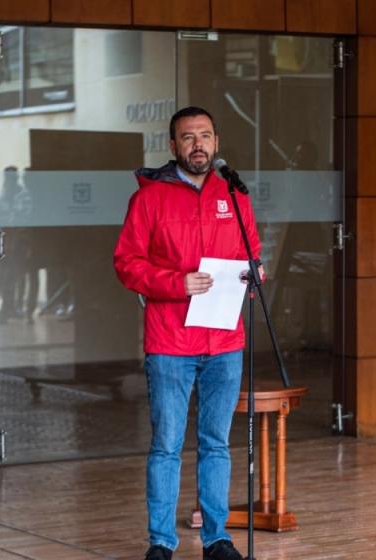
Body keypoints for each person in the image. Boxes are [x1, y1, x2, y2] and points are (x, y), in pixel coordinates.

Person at [114, 106, 261, 560]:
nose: (198, 144)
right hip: (171, 342)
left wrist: (254, 275)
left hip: (224, 342)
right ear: (173, 146)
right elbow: (127, 263)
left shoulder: (235, 195)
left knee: (217, 443)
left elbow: (252, 252)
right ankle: (161, 543)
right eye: (188, 137)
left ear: (216, 142)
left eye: (205, 135)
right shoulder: (150, 198)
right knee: (167, 446)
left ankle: (217, 539)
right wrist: (175, 283)